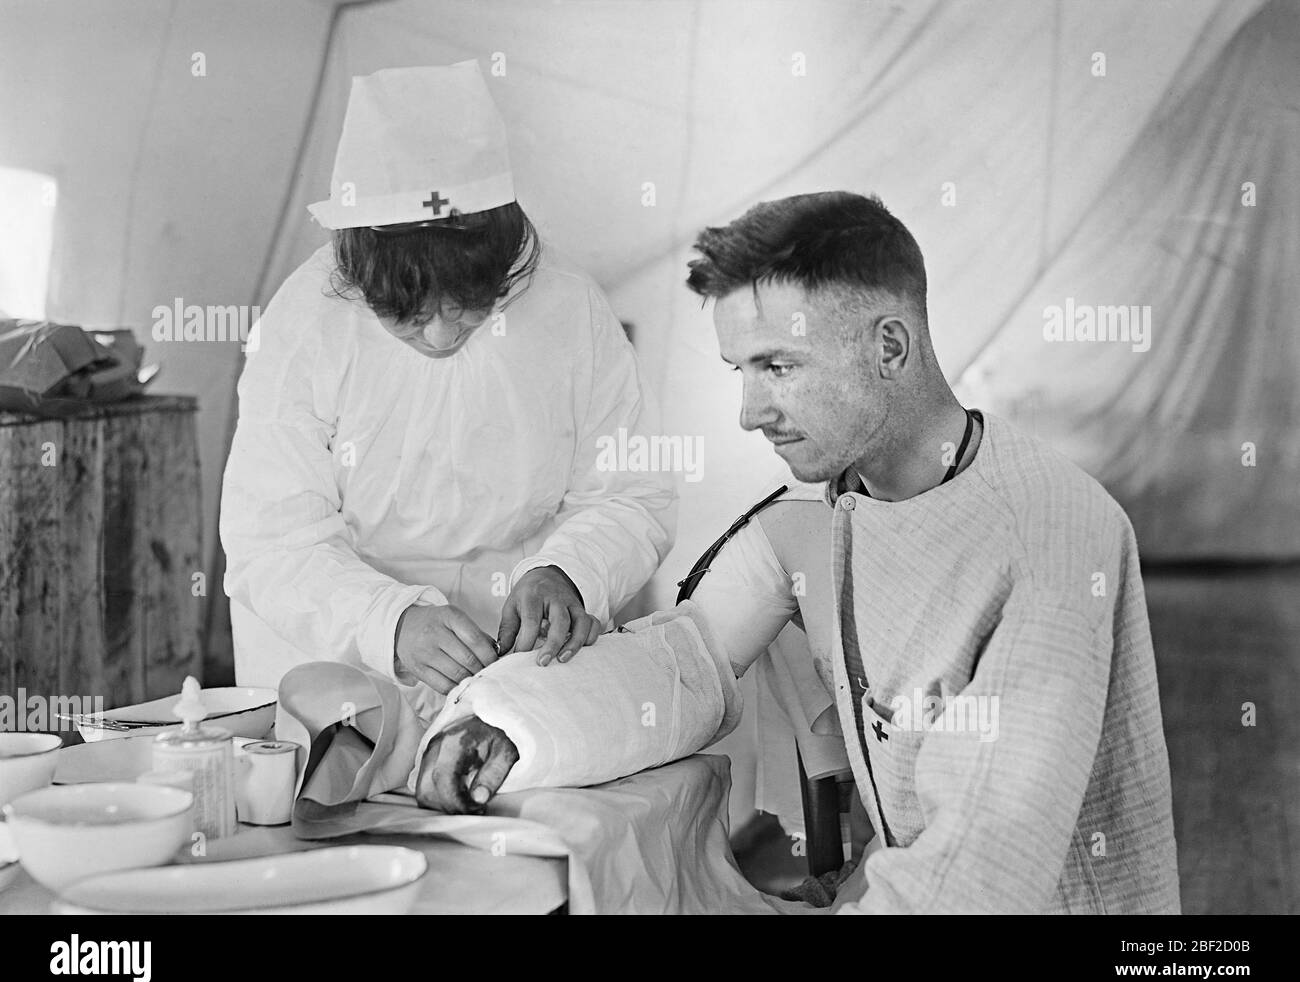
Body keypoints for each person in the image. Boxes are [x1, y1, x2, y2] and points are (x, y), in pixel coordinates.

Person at [416, 191, 1181, 914]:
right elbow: (687, 658)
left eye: (779, 366)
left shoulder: (1048, 538)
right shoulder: (816, 515)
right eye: (740, 372)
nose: (750, 412)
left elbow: (981, 879)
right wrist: (511, 724)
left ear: (889, 345)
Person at [220, 62, 675, 720]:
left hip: (516, 654)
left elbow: (632, 490)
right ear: (358, 273)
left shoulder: (570, 309)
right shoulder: (302, 329)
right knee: (339, 809)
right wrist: (387, 621)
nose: (438, 335)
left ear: (502, 262)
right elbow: (273, 541)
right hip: (336, 657)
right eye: (404, 313)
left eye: (467, 306)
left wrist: (570, 570)